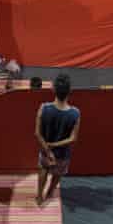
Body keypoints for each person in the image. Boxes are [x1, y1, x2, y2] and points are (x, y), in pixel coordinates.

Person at [35, 73, 80, 205]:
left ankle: (39, 197)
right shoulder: (76, 113)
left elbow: (37, 133)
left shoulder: (44, 108)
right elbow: (73, 138)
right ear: (70, 91)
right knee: (57, 174)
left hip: (45, 150)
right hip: (63, 154)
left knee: (43, 169)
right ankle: (50, 193)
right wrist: (55, 145)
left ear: (53, 89)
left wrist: (48, 150)